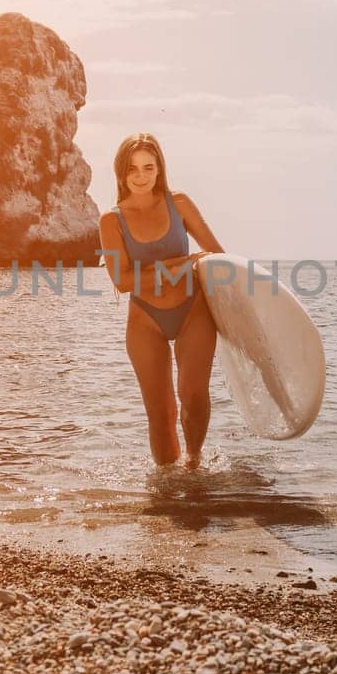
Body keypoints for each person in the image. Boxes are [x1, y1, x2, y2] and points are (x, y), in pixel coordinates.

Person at [98, 133, 223, 468]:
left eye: (148, 167)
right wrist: (180, 264)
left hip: (192, 309)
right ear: (121, 173)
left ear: (159, 169)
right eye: (133, 169)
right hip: (146, 319)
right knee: (160, 412)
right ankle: (168, 482)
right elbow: (121, 281)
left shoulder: (178, 203)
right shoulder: (112, 221)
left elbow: (214, 255)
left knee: (193, 397)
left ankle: (194, 466)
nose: (141, 176)